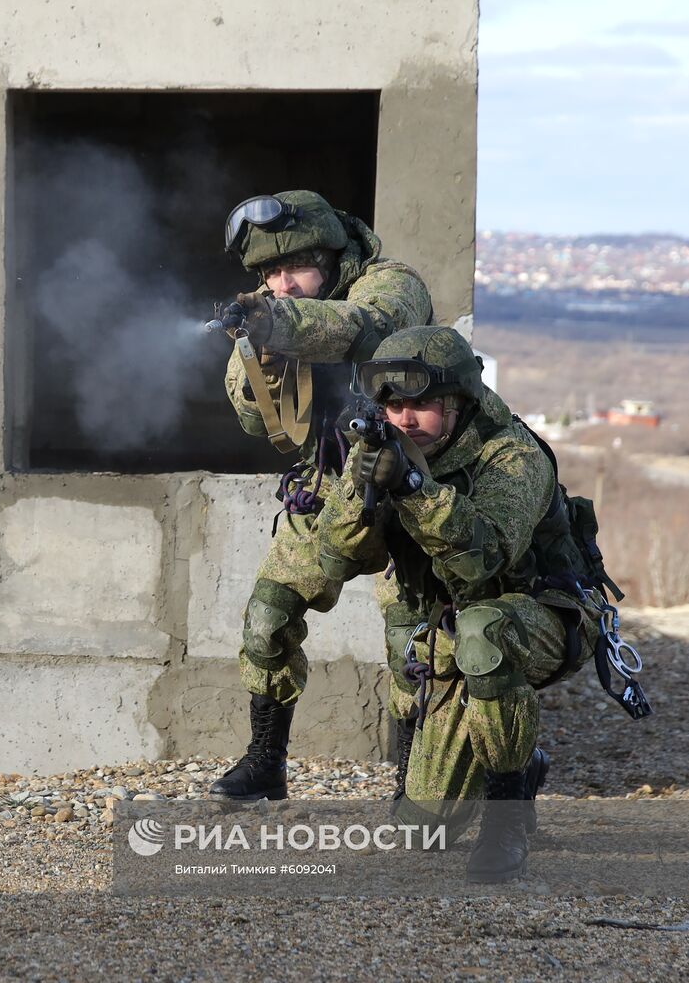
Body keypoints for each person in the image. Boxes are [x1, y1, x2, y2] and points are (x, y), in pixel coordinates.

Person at [316, 325, 612, 882]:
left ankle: (504, 822)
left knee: (483, 629)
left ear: (457, 402)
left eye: (422, 404)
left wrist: (413, 489)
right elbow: (336, 555)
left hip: (542, 613)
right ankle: (504, 765)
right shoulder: (385, 447)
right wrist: (360, 494)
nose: (405, 418)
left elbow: (487, 559)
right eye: (392, 404)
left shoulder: (513, 456)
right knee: (421, 832)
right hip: (448, 630)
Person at [209, 190, 433, 800]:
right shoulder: (271, 318)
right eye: (271, 274)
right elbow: (260, 424)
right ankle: (265, 760)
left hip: (410, 487)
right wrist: (263, 353)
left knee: (414, 643)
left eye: (296, 267)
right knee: (267, 620)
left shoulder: (389, 283)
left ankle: (416, 780)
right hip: (330, 488)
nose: (283, 283)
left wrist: (282, 325)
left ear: (333, 258)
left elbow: (370, 328)